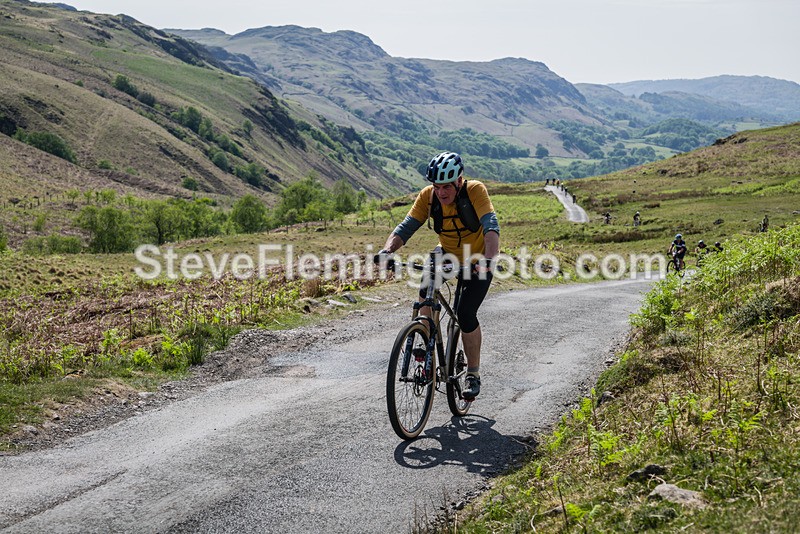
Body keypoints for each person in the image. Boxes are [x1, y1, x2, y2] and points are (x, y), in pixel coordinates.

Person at [376, 152, 499, 400]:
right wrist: (387, 250)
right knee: (425, 297)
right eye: (437, 186)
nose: (441, 193)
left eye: (446, 187)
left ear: (459, 182)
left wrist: (487, 261)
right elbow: (406, 227)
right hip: (447, 255)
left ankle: (473, 374)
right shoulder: (428, 197)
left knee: (465, 315)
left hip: (477, 259)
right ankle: (425, 342)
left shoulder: (475, 191)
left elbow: (491, 227)